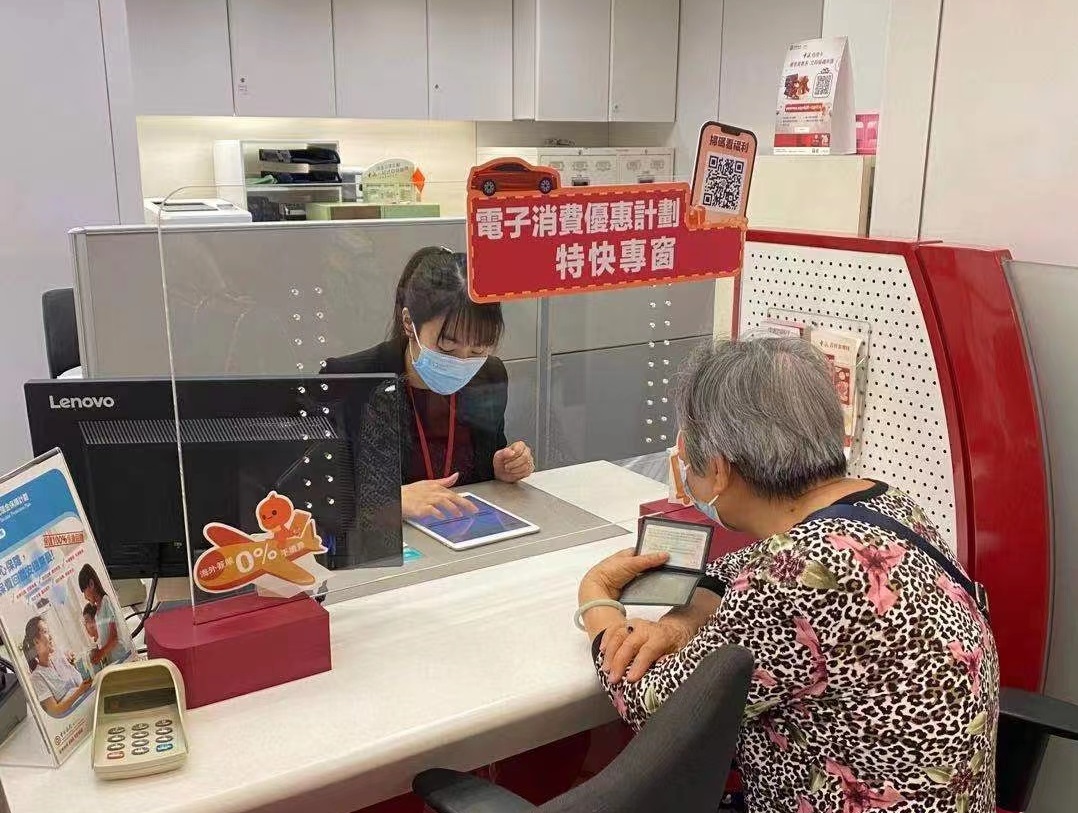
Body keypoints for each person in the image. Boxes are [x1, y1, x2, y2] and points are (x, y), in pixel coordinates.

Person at [577, 338, 999, 813]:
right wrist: (683, 622)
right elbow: (737, 568)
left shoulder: (792, 577)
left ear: (717, 471)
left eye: (689, 465)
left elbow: (655, 707)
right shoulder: (886, 504)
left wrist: (598, 599)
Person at [323, 247, 534, 520]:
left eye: (478, 349)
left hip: (463, 528)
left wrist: (501, 468)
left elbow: (483, 465)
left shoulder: (488, 375)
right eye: (447, 347)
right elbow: (314, 493)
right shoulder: (348, 381)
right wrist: (390, 500)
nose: (462, 360)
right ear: (409, 323)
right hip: (389, 538)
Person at [22, 616, 93, 717]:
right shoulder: (37, 677)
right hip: (76, 719)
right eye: (45, 632)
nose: (50, 636)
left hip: (89, 705)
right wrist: (79, 691)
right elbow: (54, 710)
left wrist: (73, 665)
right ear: (36, 641)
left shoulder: (60, 657)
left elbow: (78, 682)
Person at [78, 564, 129, 667]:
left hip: (121, 658)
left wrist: (100, 654)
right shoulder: (97, 613)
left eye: (84, 591)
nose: (85, 597)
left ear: (91, 584)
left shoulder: (106, 601)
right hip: (113, 662)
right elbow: (104, 636)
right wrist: (97, 651)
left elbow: (114, 637)